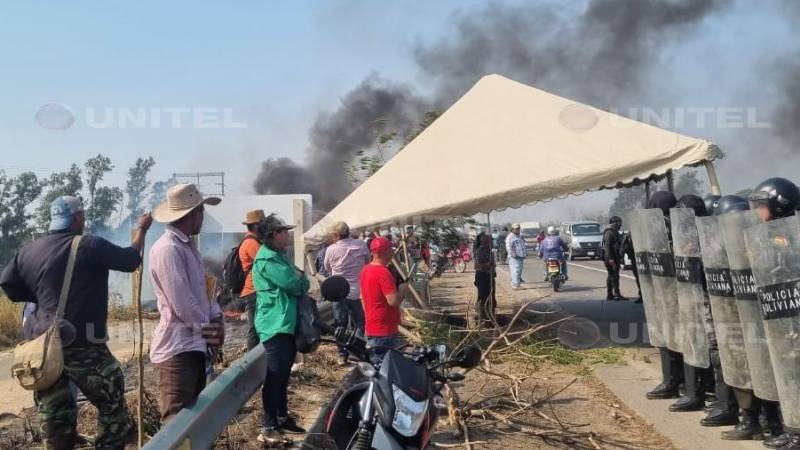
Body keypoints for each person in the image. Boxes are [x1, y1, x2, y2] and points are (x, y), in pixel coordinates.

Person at [0, 196, 152, 449]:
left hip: (45, 351)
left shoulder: (30, 250)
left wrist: (44, 300)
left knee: (55, 421)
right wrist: (141, 229)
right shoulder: (89, 245)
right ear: (78, 218)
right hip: (86, 346)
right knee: (113, 410)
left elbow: (9, 285)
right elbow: (129, 260)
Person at [149, 184, 224, 423]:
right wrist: (210, 330)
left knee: (192, 422)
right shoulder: (167, 249)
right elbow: (183, 302)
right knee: (177, 424)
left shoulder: (187, 247)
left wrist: (216, 315)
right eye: (201, 212)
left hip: (192, 346)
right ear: (191, 215)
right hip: (177, 350)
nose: (203, 217)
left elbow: (203, 290)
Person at [748, 177, 800, 449]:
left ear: (779, 206)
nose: (758, 211)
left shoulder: (789, 235)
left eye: (762, 205)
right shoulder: (770, 234)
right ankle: (791, 429)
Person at [252, 214, 309, 444]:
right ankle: (268, 425)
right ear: (274, 235)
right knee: (275, 375)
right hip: (274, 325)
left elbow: (302, 281)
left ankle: (282, 417)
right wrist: (300, 282)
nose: (288, 234)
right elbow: (295, 283)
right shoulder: (267, 260)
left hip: (285, 323)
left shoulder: (279, 256)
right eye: (284, 231)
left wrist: (300, 282)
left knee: (284, 373)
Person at [644, 191, 686, 401]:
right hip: (667, 291)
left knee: (676, 337)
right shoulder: (666, 227)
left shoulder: (671, 228)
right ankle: (676, 381)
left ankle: (674, 382)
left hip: (676, 292)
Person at [323, 221, 370, 366]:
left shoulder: (331, 249)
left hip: (339, 292)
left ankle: (342, 355)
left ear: (336, 235)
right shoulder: (361, 244)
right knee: (360, 322)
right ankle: (356, 350)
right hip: (358, 291)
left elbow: (327, 267)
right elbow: (367, 261)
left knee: (340, 324)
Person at [361, 237, 405, 365]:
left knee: (377, 366)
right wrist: (402, 291)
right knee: (385, 368)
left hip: (372, 326)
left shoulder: (365, 270)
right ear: (386, 252)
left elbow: (362, 298)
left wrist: (369, 317)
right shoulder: (383, 272)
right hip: (384, 330)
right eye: (391, 249)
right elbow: (393, 301)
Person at [239, 209, 265, 351]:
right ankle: (252, 361)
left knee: (257, 327)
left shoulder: (252, 241)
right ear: (256, 226)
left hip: (254, 290)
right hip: (253, 291)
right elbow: (266, 262)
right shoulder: (251, 243)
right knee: (254, 329)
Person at [473, 233, 496, 324]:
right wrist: (488, 264)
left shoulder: (490, 251)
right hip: (482, 276)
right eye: (488, 241)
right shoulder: (479, 251)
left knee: (491, 297)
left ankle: (490, 317)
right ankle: (481, 318)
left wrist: (493, 269)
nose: (489, 242)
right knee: (483, 297)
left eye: (490, 241)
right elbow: (476, 265)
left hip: (490, 276)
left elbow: (493, 264)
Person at [602, 216, 625, 300]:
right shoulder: (609, 232)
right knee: (614, 276)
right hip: (611, 258)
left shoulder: (614, 232)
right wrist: (610, 259)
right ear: (614, 223)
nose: (620, 225)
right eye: (618, 223)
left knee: (612, 275)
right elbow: (607, 246)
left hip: (614, 257)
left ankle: (610, 294)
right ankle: (616, 294)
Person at [506, 224, 527, 289]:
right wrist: (513, 255)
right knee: (515, 271)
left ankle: (517, 284)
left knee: (518, 271)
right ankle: (515, 285)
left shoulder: (518, 236)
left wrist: (524, 254)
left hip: (520, 256)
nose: (518, 230)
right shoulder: (510, 237)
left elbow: (521, 245)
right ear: (512, 229)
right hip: (514, 257)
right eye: (516, 229)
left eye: (518, 228)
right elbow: (509, 247)